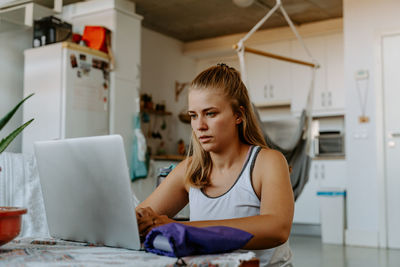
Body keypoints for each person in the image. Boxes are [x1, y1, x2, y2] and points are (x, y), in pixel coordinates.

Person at [136, 64, 294, 266]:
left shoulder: (268, 162)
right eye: (194, 115)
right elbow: (142, 218)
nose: (200, 126)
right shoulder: (190, 168)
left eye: (210, 113)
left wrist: (183, 228)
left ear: (238, 115)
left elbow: (277, 229)